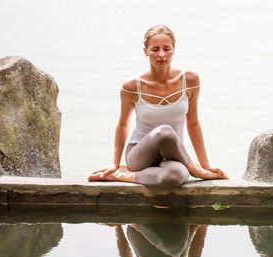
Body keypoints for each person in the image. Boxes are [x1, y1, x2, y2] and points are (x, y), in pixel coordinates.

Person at [88, 25, 227, 189]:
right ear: (145, 51)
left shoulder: (189, 80)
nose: (161, 54)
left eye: (166, 48)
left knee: (175, 176)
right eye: (155, 49)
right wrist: (115, 163)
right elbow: (123, 124)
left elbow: (193, 123)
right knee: (165, 131)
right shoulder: (132, 86)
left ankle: (126, 175)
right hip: (139, 154)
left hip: (173, 155)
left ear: (174, 49)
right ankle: (193, 169)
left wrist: (205, 165)